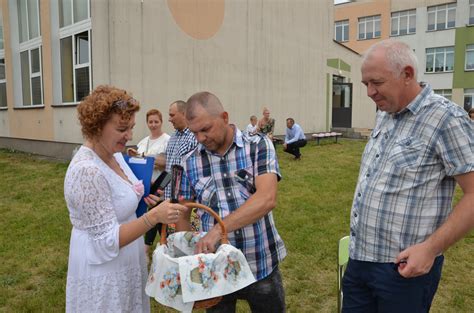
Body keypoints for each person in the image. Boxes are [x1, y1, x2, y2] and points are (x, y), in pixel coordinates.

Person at [342, 39, 474, 313]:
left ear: (407, 74)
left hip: (404, 270)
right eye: (365, 83)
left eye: (376, 82)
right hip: (359, 260)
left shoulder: (446, 118)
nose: (369, 92)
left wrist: (430, 249)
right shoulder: (385, 112)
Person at [63, 85, 187, 312]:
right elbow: (105, 242)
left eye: (130, 128)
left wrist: (143, 196)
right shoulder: (86, 171)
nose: (129, 136)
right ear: (97, 126)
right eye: (122, 129)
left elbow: (123, 194)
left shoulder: (115, 156)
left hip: (126, 261)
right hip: (104, 271)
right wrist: (153, 217)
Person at [180, 91, 287, 313]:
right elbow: (183, 212)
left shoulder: (257, 146)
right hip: (216, 269)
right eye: (194, 132)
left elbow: (266, 198)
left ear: (225, 117)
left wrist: (219, 230)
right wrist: (191, 254)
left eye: (205, 129)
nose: (200, 138)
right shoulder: (189, 161)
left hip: (259, 263)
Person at [163, 100, 198, 200]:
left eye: (172, 115)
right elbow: (169, 169)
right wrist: (160, 188)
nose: (169, 119)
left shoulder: (194, 137)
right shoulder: (172, 137)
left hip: (186, 201)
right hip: (169, 200)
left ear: (184, 114)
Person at [133, 109, 170, 182]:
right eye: (150, 122)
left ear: (161, 122)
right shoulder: (142, 142)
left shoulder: (168, 140)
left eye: (156, 122)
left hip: (160, 185)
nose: (153, 125)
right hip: (143, 183)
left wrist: (143, 156)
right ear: (147, 123)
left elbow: (168, 162)